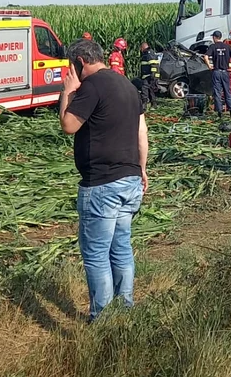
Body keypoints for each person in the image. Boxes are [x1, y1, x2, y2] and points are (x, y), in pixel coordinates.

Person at [58, 39, 148, 322]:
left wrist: (68, 92)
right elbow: (141, 133)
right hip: (130, 180)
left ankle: (104, 319)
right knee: (121, 247)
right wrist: (142, 169)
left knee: (96, 254)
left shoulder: (92, 86)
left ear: (80, 62)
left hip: (101, 184)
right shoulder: (127, 86)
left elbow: (68, 125)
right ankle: (125, 309)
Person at [203, 30, 231, 118]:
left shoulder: (213, 46)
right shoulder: (227, 46)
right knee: (227, 91)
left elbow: (205, 56)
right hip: (225, 72)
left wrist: (209, 66)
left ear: (214, 37)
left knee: (217, 93)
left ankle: (220, 112)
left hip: (216, 72)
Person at [139, 42, 160, 109]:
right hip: (148, 76)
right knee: (150, 90)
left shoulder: (149, 54)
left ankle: (146, 105)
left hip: (149, 76)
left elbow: (154, 65)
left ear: (142, 48)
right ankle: (152, 104)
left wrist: (153, 76)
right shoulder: (149, 53)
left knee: (146, 90)